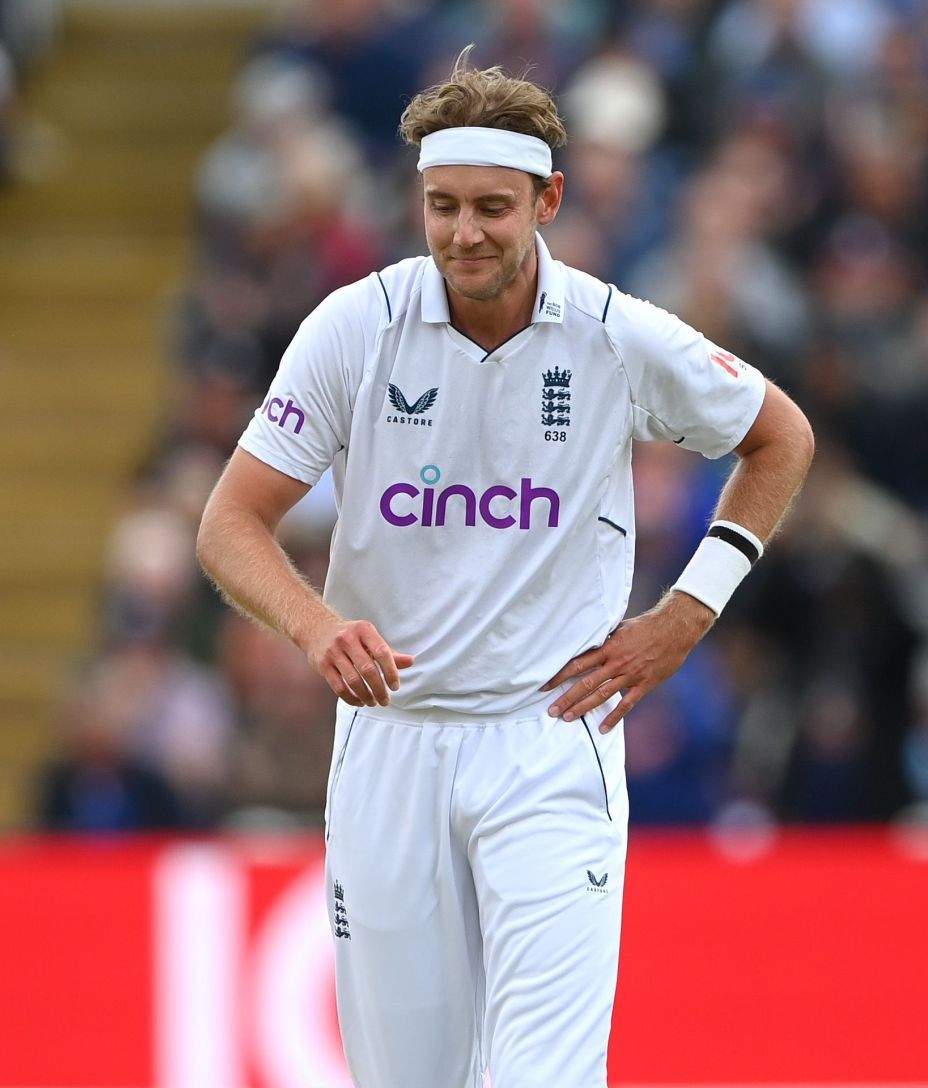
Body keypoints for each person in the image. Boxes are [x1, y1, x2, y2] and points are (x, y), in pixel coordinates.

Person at [195, 55, 814, 1087]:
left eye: (492, 206)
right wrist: (314, 627)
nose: (464, 233)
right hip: (393, 740)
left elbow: (779, 435)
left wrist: (687, 611)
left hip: (548, 738)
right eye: (442, 206)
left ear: (548, 200)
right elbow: (229, 522)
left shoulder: (614, 334)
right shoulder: (354, 328)